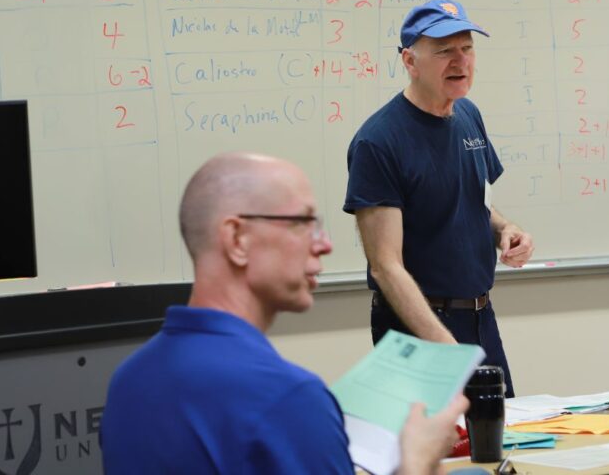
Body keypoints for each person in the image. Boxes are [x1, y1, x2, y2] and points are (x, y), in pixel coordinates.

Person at [100, 152, 476, 475]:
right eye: (302, 223)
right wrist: (417, 464)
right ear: (237, 240)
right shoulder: (286, 397)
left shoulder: (129, 379)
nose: (324, 245)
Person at [343, 0, 534, 397]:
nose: (459, 61)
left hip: (480, 319)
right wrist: (447, 350)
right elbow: (385, 267)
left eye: (467, 49)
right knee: (432, 457)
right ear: (410, 61)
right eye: (444, 51)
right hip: (418, 330)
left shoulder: (468, 115)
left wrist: (505, 229)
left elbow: (476, 200)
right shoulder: (378, 142)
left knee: (501, 445)